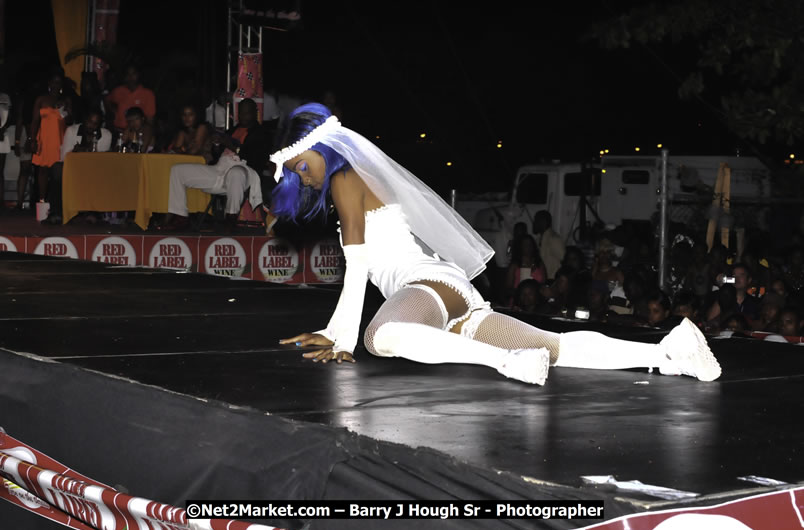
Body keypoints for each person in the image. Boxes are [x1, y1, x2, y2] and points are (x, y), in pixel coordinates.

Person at [271, 103, 721, 385]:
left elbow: (357, 266)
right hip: (446, 298)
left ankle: (509, 362)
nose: (302, 177)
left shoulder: (345, 179)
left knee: (381, 336)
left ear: (323, 147)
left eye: (302, 166)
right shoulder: (359, 179)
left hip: (425, 286)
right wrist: (333, 332)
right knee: (556, 347)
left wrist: (343, 339)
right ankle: (670, 353)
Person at [161, 98, 264, 231]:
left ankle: (231, 218)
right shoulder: (233, 130)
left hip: (244, 172)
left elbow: (254, 158)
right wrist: (216, 145)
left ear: (255, 113)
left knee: (236, 172)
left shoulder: (261, 133)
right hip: (220, 170)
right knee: (177, 170)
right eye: (241, 113)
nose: (243, 116)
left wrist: (230, 145)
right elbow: (217, 155)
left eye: (246, 113)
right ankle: (181, 217)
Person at [48, 109, 112, 224]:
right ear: (84, 120)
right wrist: (76, 151)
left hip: (94, 169)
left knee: (100, 173)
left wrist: (84, 150)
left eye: (95, 123)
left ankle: (93, 212)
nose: (91, 126)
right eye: (89, 122)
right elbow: (64, 157)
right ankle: (56, 212)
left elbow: (102, 160)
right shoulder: (72, 131)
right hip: (74, 169)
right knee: (57, 168)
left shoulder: (106, 134)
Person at [31, 69, 71, 204]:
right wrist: (32, 139)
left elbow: (70, 121)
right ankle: (42, 200)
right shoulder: (41, 99)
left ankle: (56, 201)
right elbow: (35, 121)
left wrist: (65, 109)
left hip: (60, 139)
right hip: (44, 138)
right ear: (49, 83)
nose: (56, 85)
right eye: (54, 82)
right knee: (43, 170)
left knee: (58, 171)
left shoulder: (65, 100)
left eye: (58, 83)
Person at [106, 64, 156, 132]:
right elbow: (107, 99)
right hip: (118, 130)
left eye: (133, 74)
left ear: (138, 75)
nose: (130, 77)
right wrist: (113, 110)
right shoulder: (118, 91)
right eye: (128, 74)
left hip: (137, 132)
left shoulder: (148, 94)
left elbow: (150, 120)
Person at [505, 234, 546, 305]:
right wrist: (521, 293)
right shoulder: (515, 265)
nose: (528, 247)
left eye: (530, 245)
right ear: (520, 247)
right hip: (519, 301)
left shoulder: (539, 263)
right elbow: (508, 289)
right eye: (525, 245)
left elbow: (544, 284)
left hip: (536, 302)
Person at [533, 210, 565, 280]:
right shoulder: (538, 239)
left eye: (536, 220)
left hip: (552, 281)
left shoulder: (554, 239)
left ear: (543, 222)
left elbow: (564, 261)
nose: (534, 223)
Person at [0, 86, 10, 209]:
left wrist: (2, 129)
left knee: (0, 170)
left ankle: (1, 200)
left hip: (2, 135)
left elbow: (10, 116)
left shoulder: (5, 97)